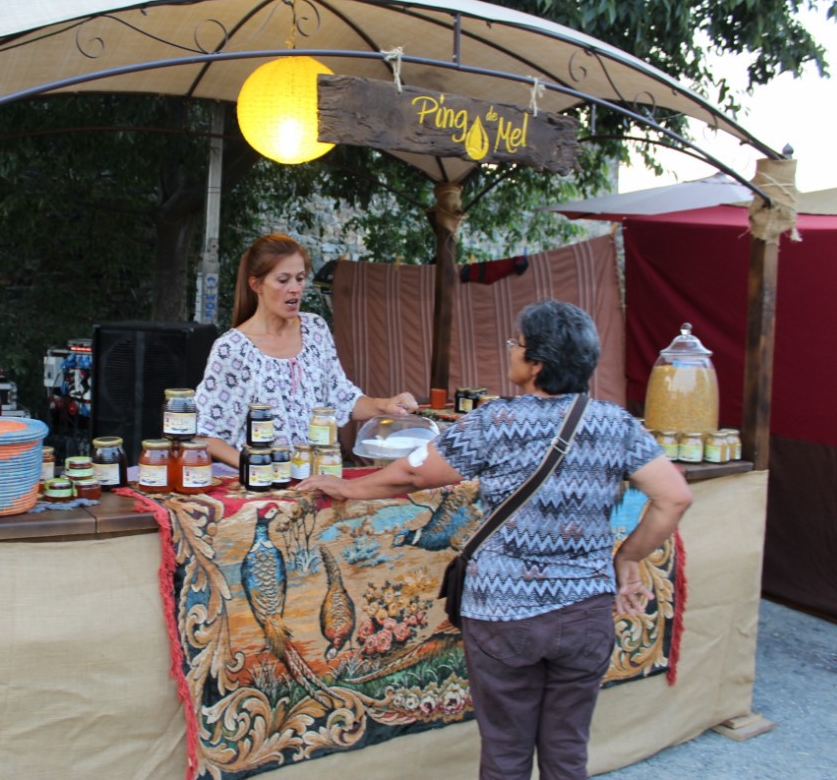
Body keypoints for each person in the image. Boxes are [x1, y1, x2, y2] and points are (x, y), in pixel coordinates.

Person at [295, 299, 693, 780]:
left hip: (504, 615)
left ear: (536, 364)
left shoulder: (497, 421)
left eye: (516, 344)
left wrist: (346, 488)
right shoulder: (617, 425)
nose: (511, 352)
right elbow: (673, 497)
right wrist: (627, 556)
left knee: (505, 753)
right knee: (568, 752)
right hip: (586, 613)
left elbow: (414, 476)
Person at [195, 234, 417, 469]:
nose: (295, 289)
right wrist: (255, 466)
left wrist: (386, 405)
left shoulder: (315, 329)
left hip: (318, 478)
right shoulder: (232, 349)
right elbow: (205, 433)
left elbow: (341, 398)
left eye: (300, 279)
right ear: (256, 284)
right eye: (283, 280)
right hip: (261, 490)